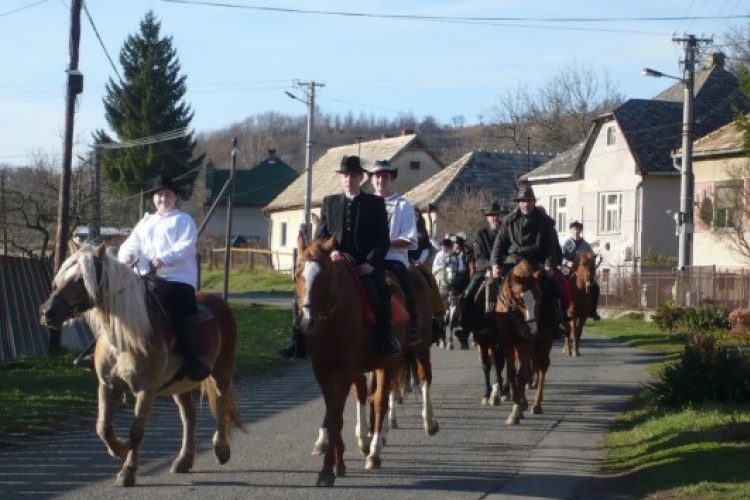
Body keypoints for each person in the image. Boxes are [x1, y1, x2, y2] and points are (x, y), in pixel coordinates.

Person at [74, 175, 207, 381]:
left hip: (176, 277)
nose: (163, 199)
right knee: (117, 306)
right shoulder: (146, 222)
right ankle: (99, 351)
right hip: (143, 277)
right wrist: (127, 255)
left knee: (182, 307)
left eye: (168, 195)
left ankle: (192, 358)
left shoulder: (183, 220)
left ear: (175, 198)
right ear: (153, 199)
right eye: (159, 195)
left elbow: (186, 245)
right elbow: (131, 243)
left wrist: (163, 259)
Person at [279, 155, 401, 358]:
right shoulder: (329, 202)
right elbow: (321, 236)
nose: (349, 180)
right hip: (333, 262)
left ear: (360, 178)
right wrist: (330, 251)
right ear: (340, 178)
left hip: (364, 265)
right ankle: (298, 340)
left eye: (353, 176)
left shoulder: (375, 203)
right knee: (303, 291)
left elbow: (382, 241)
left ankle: (386, 338)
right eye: (345, 176)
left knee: (381, 291)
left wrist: (371, 264)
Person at [490, 185, 569, 336]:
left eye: (529, 200)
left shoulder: (545, 222)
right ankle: (491, 320)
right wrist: (495, 264)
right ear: (518, 203)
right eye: (523, 201)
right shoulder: (508, 221)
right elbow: (499, 246)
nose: (526, 204)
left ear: (533, 202)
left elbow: (551, 247)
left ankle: (556, 321)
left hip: (536, 263)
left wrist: (549, 265)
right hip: (513, 262)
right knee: (491, 285)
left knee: (554, 285)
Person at [368, 160, 422, 347]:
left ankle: (413, 325)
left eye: (385, 176)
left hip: (393, 257)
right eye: (377, 177)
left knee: (404, 284)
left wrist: (384, 245)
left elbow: (409, 239)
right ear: (371, 180)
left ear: (391, 179)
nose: (380, 180)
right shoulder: (365, 203)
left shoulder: (403, 205)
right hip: (368, 257)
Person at [460, 201, 508, 331]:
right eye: (491, 215)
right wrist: (491, 267)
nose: (494, 218)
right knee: (469, 292)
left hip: (504, 268)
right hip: (485, 269)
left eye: (496, 215)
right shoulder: (481, 234)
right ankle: (465, 326)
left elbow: (510, 250)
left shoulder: (507, 232)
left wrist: (501, 266)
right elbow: (479, 255)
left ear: (500, 216)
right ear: (487, 218)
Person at [561, 220, 601, 320]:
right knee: (560, 286)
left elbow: (591, 259)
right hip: (569, 270)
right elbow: (560, 257)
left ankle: (593, 310)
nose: (576, 231)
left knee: (595, 287)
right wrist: (567, 263)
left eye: (578, 229)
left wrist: (591, 260)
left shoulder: (586, 245)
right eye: (574, 229)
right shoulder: (566, 244)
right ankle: (562, 310)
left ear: (581, 230)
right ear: (571, 230)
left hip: (583, 272)